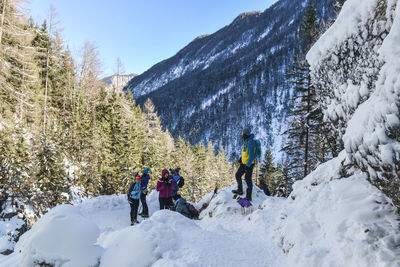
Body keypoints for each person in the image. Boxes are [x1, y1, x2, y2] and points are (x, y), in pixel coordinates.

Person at [232, 126, 257, 201]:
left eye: (242, 133)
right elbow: (245, 153)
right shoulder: (245, 141)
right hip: (244, 163)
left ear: (245, 134)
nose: (241, 134)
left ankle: (248, 197)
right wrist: (241, 159)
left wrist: (248, 165)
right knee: (237, 175)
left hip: (249, 164)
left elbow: (252, 155)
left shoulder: (251, 142)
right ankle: (240, 190)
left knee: (248, 179)